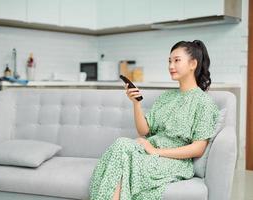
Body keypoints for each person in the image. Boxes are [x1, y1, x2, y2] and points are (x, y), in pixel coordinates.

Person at [89, 40, 220, 200]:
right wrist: (136, 103)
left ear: (193, 64)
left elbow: (198, 148)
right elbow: (144, 131)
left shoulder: (203, 102)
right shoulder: (166, 97)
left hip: (174, 161)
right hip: (148, 152)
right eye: (169, 61)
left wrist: (156, 151)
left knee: (122, 162)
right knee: (121, 144)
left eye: (177, 60)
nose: (171, 66)